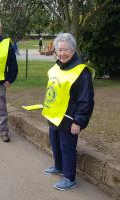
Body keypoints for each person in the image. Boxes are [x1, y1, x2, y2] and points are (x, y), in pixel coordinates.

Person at [42, 33, 94, 190]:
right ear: (55, 50)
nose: (62, 53)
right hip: (54, 116)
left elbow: (86, 100)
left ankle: (69, 178)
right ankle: (58, 167)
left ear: (73, 50)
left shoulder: (81, 72)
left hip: (69, 119)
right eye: (60, 49)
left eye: (66, 50)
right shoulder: (56, 67)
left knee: (67, 149)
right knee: (55, 145)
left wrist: (78, 121)